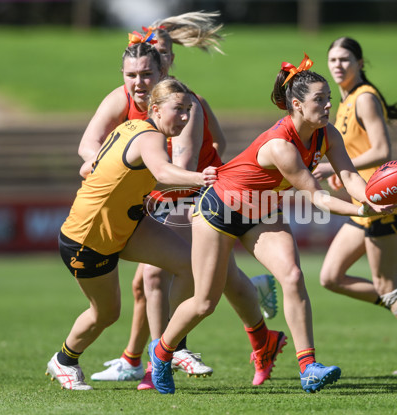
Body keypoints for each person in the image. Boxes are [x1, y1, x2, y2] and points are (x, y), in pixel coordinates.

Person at [147, 53, 397, 395]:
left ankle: (309, 367)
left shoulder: (327, 133)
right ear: (296, 104)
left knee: (293, 276)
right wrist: (361, 212)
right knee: (205, 302)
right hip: (218, 208)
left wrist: (370, 199)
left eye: (329, 100)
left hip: (261, 209)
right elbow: (317, 198)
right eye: (319, 100)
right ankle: (161, 353)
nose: (328, 107)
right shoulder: (282, 146)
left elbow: (350, 176)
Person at [79, 14, 277, 388]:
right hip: (165, 193)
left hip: (193, 194)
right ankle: (142, 358)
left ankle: (160, 358)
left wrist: (126, 183)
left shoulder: (185, 102)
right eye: (136, 70)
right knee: (174, 281)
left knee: (156, 278)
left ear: (165, 64)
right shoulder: (126, 98)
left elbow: (182, 167)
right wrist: (97, 162)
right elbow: (88, 144)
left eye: (159, 59)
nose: (143, 77)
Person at [45, 78, 217, 390]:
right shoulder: (149, 137)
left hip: (127, 225)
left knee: (188, 266)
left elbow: (151, 177)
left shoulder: (134, 129)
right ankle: (65, 360)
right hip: (88, 239)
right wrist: (199, 177)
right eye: (178, 109)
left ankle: (173, 346)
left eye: (189, 110)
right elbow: (164, 173)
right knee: (106, 314)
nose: (185, 117)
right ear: (155, 109)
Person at [312, 37, 397, 375]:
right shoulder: (344, 101)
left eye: (345, 59)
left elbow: (383, 151)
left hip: (384, 202)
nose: (338, 65)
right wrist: (344, 173)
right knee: (330, 276)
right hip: (364, 204)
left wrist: (335, 167)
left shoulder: (365, 98)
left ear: (360, 63)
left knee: (386, 283)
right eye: (333, 59)